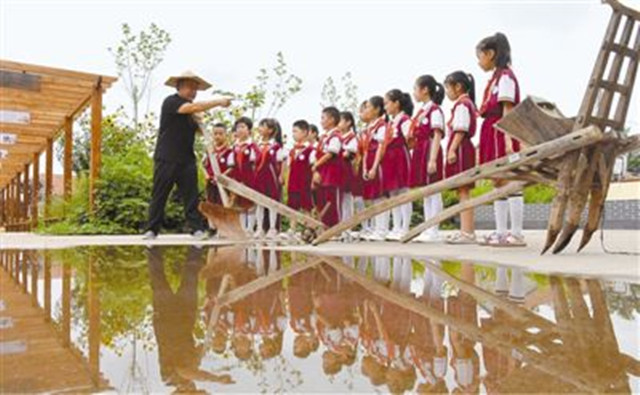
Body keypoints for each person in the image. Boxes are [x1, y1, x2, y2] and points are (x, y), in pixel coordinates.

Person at [143, 71, 231, 240]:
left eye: (195, 88)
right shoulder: (171, 102)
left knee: (191, 195)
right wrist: (218, 101)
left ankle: (196, 229)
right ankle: (152, 229)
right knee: (160, 194)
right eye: (190, 87)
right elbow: (193, 107)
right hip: (167, 157)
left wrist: (203, 125)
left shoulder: (192, 113)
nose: (193, 91)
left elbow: (199, 129)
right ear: (180, 87)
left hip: (187, 159)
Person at [477, 32, 526, 247]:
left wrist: (508, 141)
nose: (479, 62)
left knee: (511, 179)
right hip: (491, 131)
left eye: (480, 56)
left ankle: (516, 233)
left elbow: (508, 109)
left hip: (501, 132)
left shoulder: (505, 77)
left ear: (491, 54)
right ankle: (501, 231)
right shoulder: (495, 78)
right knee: (497, 180)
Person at [409, 75, 445, 243]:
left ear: (425, 90)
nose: (414, 92)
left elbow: (437, 134)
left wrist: (432, 159)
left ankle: (434, 230)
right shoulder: (422, 111)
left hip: (430, 150)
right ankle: (427, 227)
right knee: (426, 192)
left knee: (434, 190)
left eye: (415, 88)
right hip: (420, 150)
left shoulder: (435, 110)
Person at [443, 71, 478, 245]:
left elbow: (461, 129)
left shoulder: (462, 104)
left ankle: (467, 233)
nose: (447, 93)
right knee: (462, 191)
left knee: (464, 191)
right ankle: (466, 231)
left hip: (462, 149)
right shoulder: (465, 103)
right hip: (462, 148)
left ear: (457, 87)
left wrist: (452, 150)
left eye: (448, 88)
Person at [382, 89, 413, 240]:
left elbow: (411, 140)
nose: (385, 107)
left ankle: (405, 227)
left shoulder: (404, 120)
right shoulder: (390, 122)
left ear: (396, 103)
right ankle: (396, 226)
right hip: (390, 159)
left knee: (403, 192)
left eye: (387, 103)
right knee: (393, 193)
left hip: (400, 157)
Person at [361, 96, 390, 241]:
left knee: (381, 195)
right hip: (370, 160)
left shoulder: (382, 126)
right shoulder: (369, 127)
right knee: (373, 197)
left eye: (368, 107)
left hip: (378, 163)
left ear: (377, 109)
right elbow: (366, 149)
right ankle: (377, 228)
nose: (366, 110)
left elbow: (381, 146)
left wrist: (374, 166)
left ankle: (383, 229)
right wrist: (365, 167)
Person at [312, 107, 344, 227]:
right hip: (324, 174)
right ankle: (326, 226)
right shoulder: (324, 137)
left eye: (323, 118)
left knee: (333, 201)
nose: (321, 121)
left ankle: (336, 227)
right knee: (324, 200)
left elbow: (331, 153)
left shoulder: (335, 136)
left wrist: (316, 165)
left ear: (331, 119)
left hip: (333, 174)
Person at [254, 118, 285, 239]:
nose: (260, 129)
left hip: (271, 177)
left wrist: (281, 175)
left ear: (270, 130)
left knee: (272, 203)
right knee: (259, 203)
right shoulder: (257, 145)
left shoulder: (276, 146)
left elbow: (282, 162)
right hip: (258, 177)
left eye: (263, 126)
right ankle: (260, 228)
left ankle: (272, 228)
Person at [231, 116, 260, 233]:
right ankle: (243, 229)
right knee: (240, 205)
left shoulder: (252, 146)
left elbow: (257, 163)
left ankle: (250, 228)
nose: (240, 129)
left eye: (243, 127)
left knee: (250, 204)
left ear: (249, 131)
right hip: (237, 179)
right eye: (238, 127)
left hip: (250, 180)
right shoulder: (234, 146)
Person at [286, 120, 316, 214]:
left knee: (306, 205)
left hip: (305, 182)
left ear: (304, 132)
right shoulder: (292, 150)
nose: (293, 134)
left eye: (295, 131)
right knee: (293, 205)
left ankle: (308, 226)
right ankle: (292, 227)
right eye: (292, 131)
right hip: (293, 182)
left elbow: (314, 166)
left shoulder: (311, 150)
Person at [338, 111, 359, 238]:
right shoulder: (339, 137)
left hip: (347, 170)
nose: (338, 124)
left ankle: (348, 227)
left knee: (347, 199)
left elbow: (348, 153)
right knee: (339, 199)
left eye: (341, 121)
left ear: (348, 122)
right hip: (338, 170)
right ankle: (341, 226)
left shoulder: (352, 138)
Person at [202, 123, 234, 206]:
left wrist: (220, 177)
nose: (217, 136)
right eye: (215, 134)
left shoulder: (229, 151)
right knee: (210, 204)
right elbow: (204, 165)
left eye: (220, 134)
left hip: (223, 183)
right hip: (210, 183)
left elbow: (231, 168)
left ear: (226, 135)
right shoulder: (209, 149)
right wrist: (206, 175)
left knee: (223, 205)